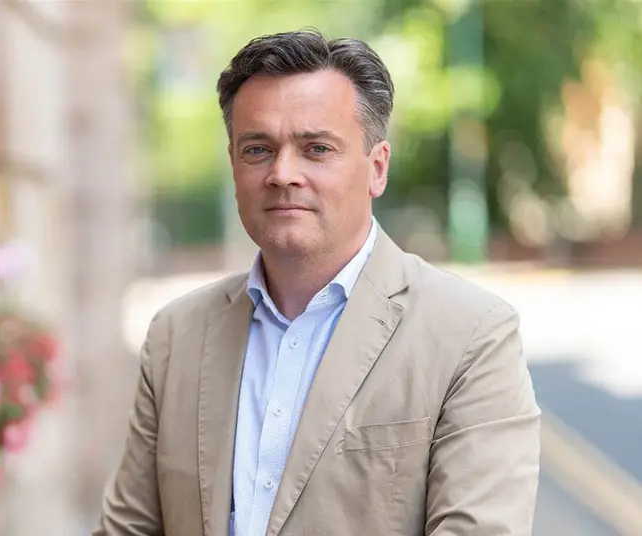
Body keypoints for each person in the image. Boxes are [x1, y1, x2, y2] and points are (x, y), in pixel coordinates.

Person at [94, 29, 541, 536]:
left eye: (317, 148)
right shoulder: (175, 336)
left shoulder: (472, 334)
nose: (283, 173)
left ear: (377, 169)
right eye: (257, 149)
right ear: (234, 165)